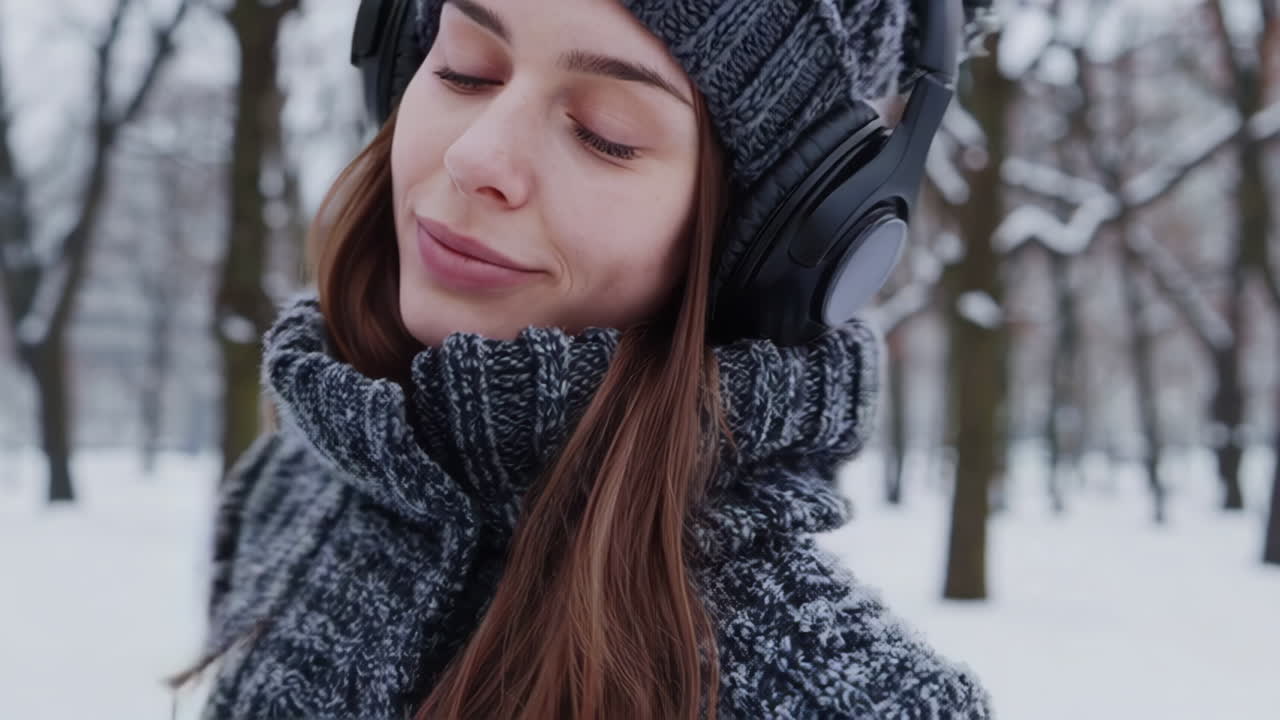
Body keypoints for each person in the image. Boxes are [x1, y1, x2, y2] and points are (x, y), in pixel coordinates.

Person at [175, 0, 999, 717]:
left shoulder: (852, 701)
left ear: (781, 235)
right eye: (465, 69)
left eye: (605, 134)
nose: (476, 159)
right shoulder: (290, 486)